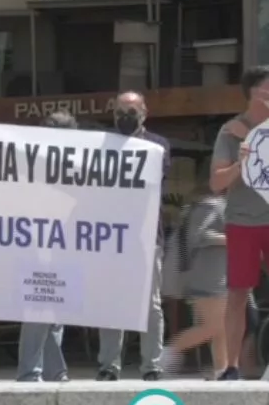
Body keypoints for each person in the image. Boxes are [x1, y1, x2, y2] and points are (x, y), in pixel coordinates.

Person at [96, 91, 169, 381]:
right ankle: (108, 366)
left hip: (147, 235)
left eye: (131, 111)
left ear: (144, 113)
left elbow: (152, 183)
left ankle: (151, 366)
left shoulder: (159, 146)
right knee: (111, 300)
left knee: (150, 304)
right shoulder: (101, 145)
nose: (125, 117)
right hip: (110, 236)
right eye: (120, 112)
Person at [210, 65, 269, 380]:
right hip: (243, 222)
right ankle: (230, 366)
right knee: (237, 293)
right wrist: (241, 162)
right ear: (254, 92)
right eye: (267, 87)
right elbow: (216, 183)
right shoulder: (229, 131)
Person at [15, 111, 75, 382]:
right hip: (38, 242)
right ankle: (30, 371)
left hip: (68, 243)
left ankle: (53, 370)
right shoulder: (32, 164)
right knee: (39, 305)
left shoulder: (76, 165)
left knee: (56, 311)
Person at [160, 181, 228, 377]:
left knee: (220, 327)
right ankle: (169, 352)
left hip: (217, 277)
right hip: (207, 277)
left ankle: (221, 370)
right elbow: (200, 236)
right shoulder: (209, 207)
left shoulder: (216, 206)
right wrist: (232, 240)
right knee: (212, 326)